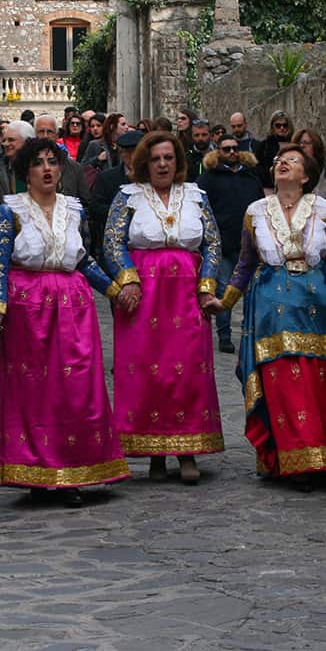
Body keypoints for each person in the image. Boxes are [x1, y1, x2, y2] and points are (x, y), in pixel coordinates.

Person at [0, 139, 131, 506]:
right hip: (28, 309)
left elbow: (84, 258)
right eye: (38, 163)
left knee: (76, 387)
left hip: (73, 305)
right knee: (34, 391)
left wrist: (114, 290)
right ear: (26, 172)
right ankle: (37, 472)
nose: (47, 169)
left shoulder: (74, 209)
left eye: (52, 162)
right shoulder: (8, 212)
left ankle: (76, 471)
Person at [221, 144, 326, 483]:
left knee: (324, 378)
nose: (282, 163)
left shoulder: (323, 208)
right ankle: (295, 456)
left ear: (307, 175)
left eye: (293, 161)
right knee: (282, 376)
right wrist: (224, 302)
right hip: (272, 305)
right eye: (279, 160)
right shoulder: (255, 212)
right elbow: (244, 264)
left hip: (323, 302)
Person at [103, 131, 225, 483]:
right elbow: (112, 241)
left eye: (169, 158)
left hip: (185, 292)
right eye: (156, 158)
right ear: (145, 162)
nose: (162, 164)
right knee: (147, 371)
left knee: (187, 370)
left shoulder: (196, 195)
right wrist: (127, 280)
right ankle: (154, 451)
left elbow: (213, 242)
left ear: (178, 162)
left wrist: (206, 286)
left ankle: (187, 451)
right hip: (146, 293)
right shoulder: (128, 196)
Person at [196, 134, 263, 354]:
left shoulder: (250, 177)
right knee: (224, 290)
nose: (232, 152)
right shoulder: (208, 178)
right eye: (227, 149)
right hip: (223, 242)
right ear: (219, 151)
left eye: (235, 148)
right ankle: (224, 335)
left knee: (251, 289)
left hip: (249, 244)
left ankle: (249, 331)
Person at [87, 130, 143, 258]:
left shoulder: (152, 177)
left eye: (136, 152)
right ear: (122, 154)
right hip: (115, 246)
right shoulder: (107, 177)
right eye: (128, 152)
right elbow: (95, 208)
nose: (132, 157)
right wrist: (124, 213)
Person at [33, 114, 92, 202]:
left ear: (57, 135)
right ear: (34, 135)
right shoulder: (26, 165)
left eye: (49, 132)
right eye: (41, 131)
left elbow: (85, 202)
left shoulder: (74, 168)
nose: (45, 136)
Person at [257, 111, 294, 188]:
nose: (282, 128)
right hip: (270, 186)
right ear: (272, 127)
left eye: (285, 125)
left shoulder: (294, 143)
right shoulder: (264, 145)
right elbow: (259, 168)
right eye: (278, 125)